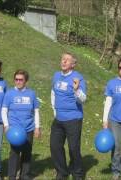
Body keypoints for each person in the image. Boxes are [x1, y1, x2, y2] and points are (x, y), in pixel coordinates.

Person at [50, 52, 87, 180]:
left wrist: (76, 89)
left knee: (73, 148)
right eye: (62, 59)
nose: (64, 61)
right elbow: (53, 93)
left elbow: (83, 100)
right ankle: (62, 172)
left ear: (73, 64)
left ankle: (77, 173)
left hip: (73, 119)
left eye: (67, 60)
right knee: (55, 146)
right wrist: (55, 110)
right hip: (58, 119)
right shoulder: (56, 76)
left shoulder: (78, 78)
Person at [1, 69, 41, 180]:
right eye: (16, 79)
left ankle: (25, 176)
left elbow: (36, 111)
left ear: (26, 81)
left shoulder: (31, 94)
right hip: (15, 130)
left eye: (21, 80)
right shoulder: (9, 93)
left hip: (28, 129)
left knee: (27, 154)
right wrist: (6, 125)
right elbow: (4, 110)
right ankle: (12, 176)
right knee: (14, 154)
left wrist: (37, 127)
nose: (18, 82)